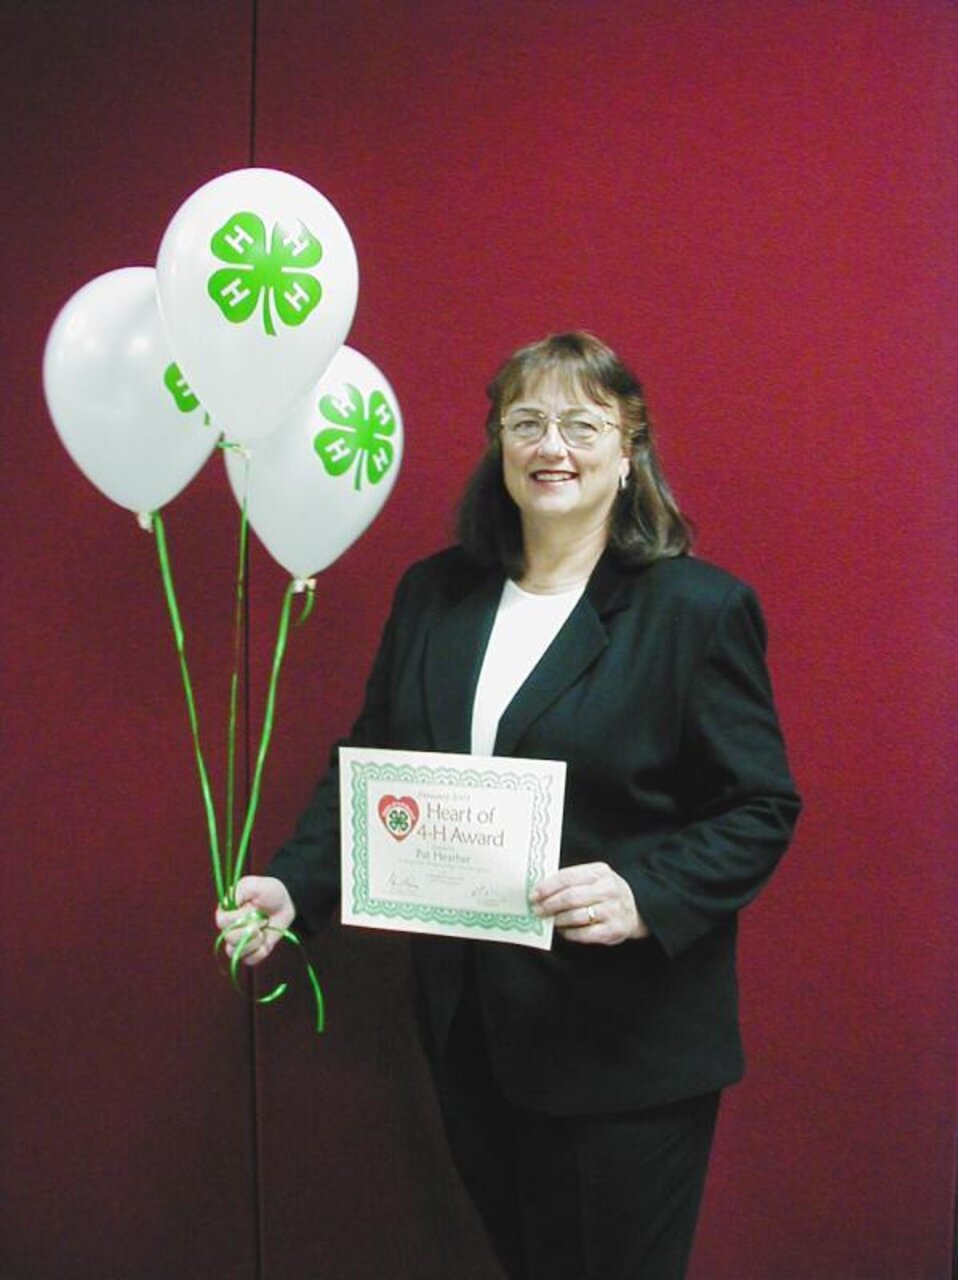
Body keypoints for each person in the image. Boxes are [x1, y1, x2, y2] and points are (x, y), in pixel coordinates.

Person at [217, 332, 801, 1280]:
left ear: (629, 447)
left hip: (626, 1047)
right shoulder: (434, 595)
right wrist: (295, 888)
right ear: (497, 444)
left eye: (581, 423)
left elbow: (760, 806)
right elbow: (373, 766)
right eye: (526, 422)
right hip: (473, 1030)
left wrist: (644, 894)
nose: (551, 445)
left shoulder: (695, 611)